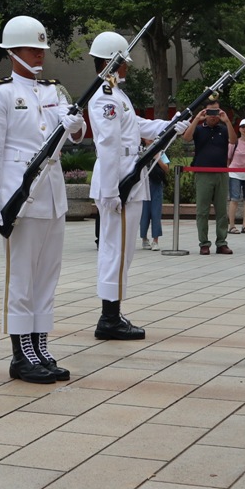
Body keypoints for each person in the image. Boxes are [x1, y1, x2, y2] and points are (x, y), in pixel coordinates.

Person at [0, 15, 86, 383]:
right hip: (19, 197)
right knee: (21, 276)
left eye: (41, 49)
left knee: (47, 275)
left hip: (51, 194)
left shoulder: (52, 91)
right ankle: (21, 353)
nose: (39, 55)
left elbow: (74, 135)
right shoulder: (0, 93)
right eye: (31, 49)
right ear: (12, 53)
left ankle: (40, 344)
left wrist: (75, 124)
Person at [86, 32, 176, 341]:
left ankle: (113, 312)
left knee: (120, 250)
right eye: (124, 61)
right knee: (116, 250)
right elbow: (108, 144)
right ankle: (109, 318)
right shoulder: (105, 97)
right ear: (113, 61)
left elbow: (137, 126)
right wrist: (112, 189)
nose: (127, 66)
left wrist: (172, 125)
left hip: (126, 174)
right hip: (119, 178)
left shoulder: (117, 95)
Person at [182, 105, 236, 254]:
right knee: (202, 210)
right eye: (210, 112)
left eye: (216, 112)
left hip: (221, 173)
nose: (213, 116)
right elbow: (186, 138)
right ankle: (204, 243)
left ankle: (221, 242)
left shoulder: (223, 129)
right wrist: (197, 119)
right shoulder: (199, 129)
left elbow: (233, 140)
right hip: (203, 173)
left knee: (221, 210)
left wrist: (226, 121)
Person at [226, 119, 245, 235]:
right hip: (235, 173)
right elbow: (228, 158)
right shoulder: (234, 143)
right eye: (242, 127)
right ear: (239, 128)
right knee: (234, 199)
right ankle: (232, 225)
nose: (244, 129)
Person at [139, 141, 170, 251]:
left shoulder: (160, 151)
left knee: (156, 213)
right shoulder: (140, 150)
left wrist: (158, 158)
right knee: (144, 214)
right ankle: (144, 239)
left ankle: (155, 240)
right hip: (143, 185)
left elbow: (166, 168)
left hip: (155, 184)